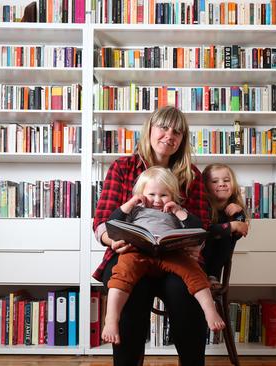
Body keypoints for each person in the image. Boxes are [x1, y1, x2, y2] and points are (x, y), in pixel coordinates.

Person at [92, 106, 211, 365]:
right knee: (130, 289)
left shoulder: (192, 174)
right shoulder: (123, 167)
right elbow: (102, 220)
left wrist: (195, 244)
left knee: (185, 291)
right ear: (149, 130)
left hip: (177, 257)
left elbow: (203, 223)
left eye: (177, 131)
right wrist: (111, 239)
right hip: (130, 253)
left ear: (182, 139)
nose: (170, 135)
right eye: (163, 128)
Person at [101, 167, 225, 345]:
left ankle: (210, 311)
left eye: (164, 195)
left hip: (170, 254)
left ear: (173, 195)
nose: (157, 200)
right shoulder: (135, 211)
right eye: (151, 194)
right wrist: (130, 203)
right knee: (121, 275)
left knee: (194, 272)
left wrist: (178, 211)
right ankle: (112, 319)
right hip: (138, 253)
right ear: (141, 194)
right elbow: (112, 222)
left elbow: (197, 227)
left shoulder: (175, 212)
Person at [201, 164, 249, 282]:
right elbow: (206, 231)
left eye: (226, 180)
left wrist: (239, 214)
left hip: (217, 261)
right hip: (200, 255)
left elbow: (239, 231)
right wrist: (231, 226)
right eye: (214, 181)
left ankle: (212, 277)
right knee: (221, 231)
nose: (222, 183)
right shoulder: (203, 207)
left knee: (226, 236)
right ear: (205, 186)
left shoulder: (236, 209)